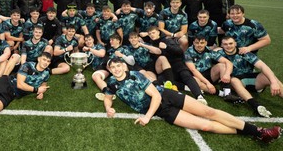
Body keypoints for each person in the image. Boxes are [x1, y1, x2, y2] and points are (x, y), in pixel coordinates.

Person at [102, 57, 282, 144]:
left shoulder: (135, 75)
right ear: (109, 70)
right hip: (162, 111)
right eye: (113, 67)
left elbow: (155, 96)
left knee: (209, 112)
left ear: (124, 66)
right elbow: (108, 97)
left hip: (166, 96)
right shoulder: (111, 83)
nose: (116, 69)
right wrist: (109, 108)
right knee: (205, 125)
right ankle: (257, 134)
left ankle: (258, 130)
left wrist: (147, 117)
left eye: (119, 65)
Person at [216, 36, 283, 117]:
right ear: (222, 45)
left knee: (269, 77)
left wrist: (273, 82)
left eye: (231, 43)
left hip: (249, 78)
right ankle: (256, 106)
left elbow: (263, 66)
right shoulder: (218, 53)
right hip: (235, 81)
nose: (228, 46)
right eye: (225, 44)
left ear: (235, 44)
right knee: (234, 80)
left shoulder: (244, 52)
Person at [146, 26, 207, 105]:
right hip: (166, 70)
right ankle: (186, 87)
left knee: (186, 75)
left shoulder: (167, 40)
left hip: (177, 65)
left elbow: (179, 51)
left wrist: (167, 47)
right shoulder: (151, 44)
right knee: (161, 81)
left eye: (153, 32)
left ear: (158, 32)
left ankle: (199, 96)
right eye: (149, 34)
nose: (152, 35)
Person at [184, 35, 237, 100]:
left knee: (222, 65)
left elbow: (228, 62)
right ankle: (221, 93)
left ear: (206, 43)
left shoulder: (209, 51)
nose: (199, 45)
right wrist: (208, 83)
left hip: (208, 73)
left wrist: (227, 74)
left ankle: (227, 94)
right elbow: (193, 70)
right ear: (193, 43)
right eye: (197, 43)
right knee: (195, 81)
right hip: (196, 75)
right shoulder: (187, 53)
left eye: (202, 43)